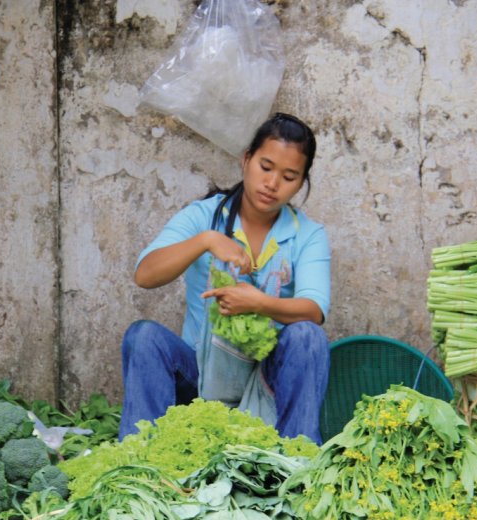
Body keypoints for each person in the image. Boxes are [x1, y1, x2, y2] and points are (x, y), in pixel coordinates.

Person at [119, 113, 331, 443]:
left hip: (265, 385)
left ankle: (296, 463)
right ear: (246, 159)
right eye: (266, 167)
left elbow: (314, 310)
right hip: (199, 379)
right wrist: (205, 241)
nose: (272, 183)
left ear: (301, 183)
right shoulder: (205, 216)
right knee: (143, 337)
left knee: (308, 337)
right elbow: (145, 274)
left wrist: (259, 304)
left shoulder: (308, 235)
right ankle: (141, 464)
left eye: (289, 176)